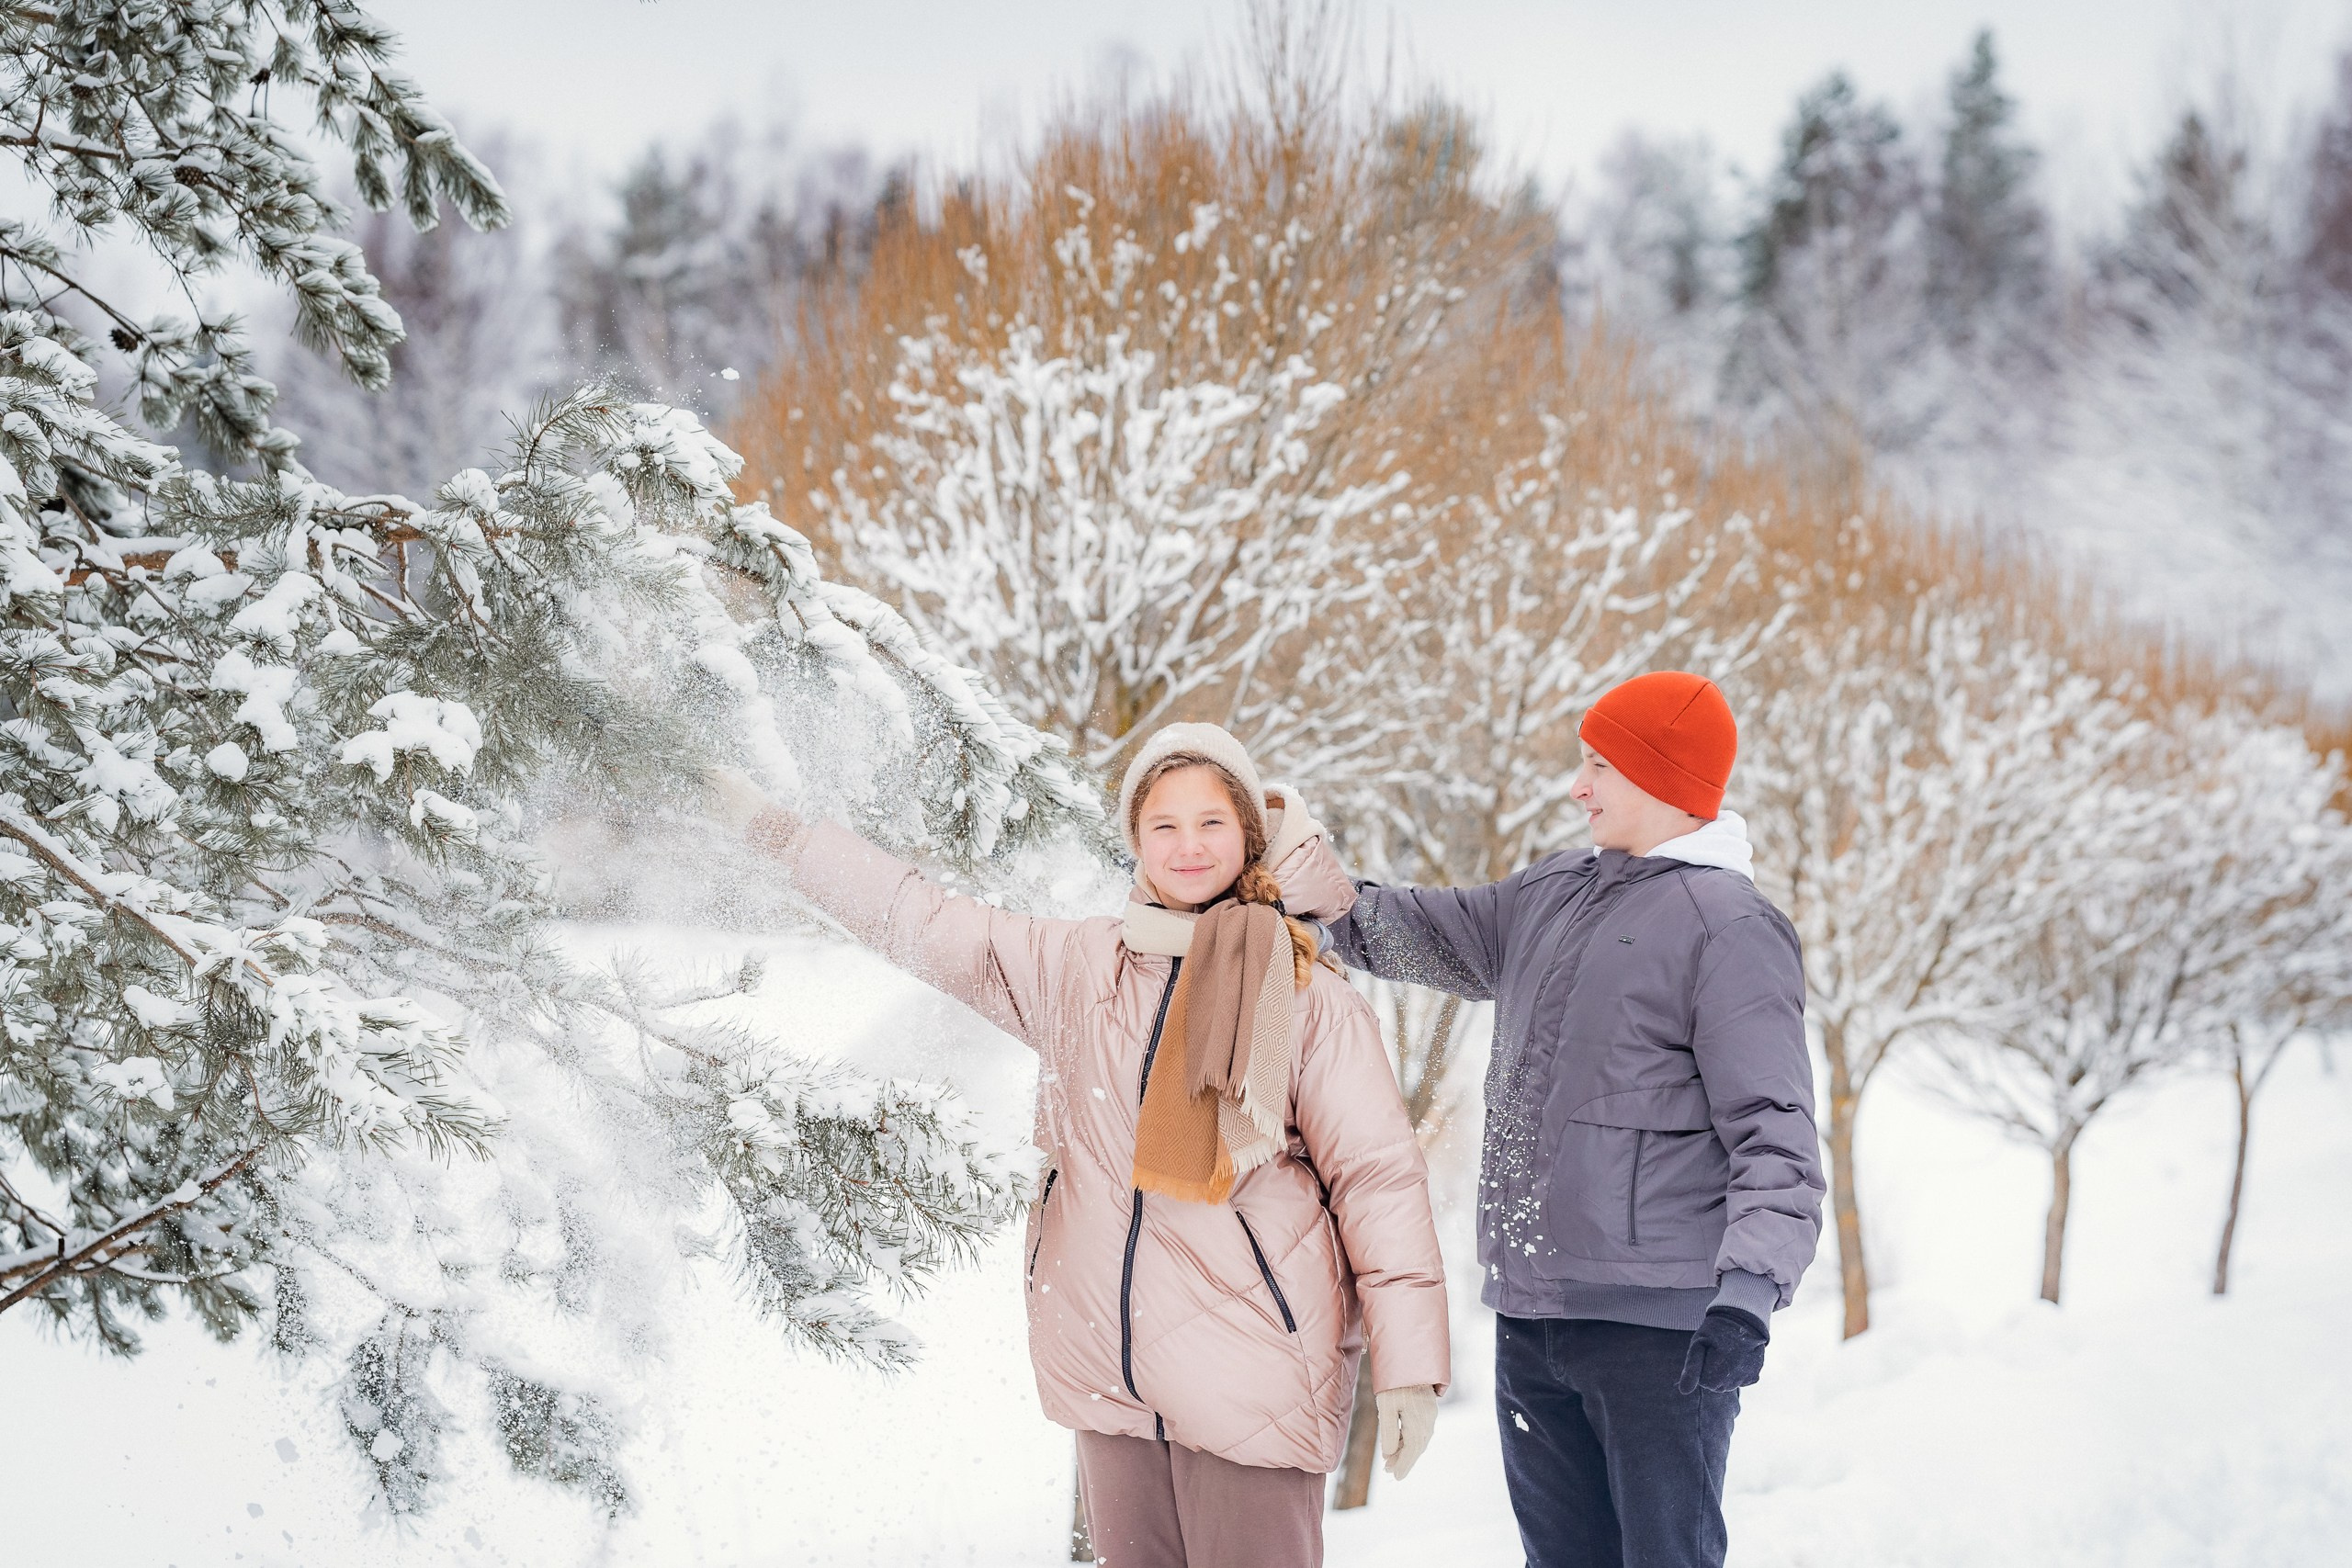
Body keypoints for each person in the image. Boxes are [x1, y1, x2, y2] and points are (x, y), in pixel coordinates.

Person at [707, 721, 1449, 1568]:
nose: (1188, 845)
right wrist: (773, 832)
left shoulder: (1308, 995)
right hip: (1111, 1373)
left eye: (1211, 821)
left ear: (1247, 829)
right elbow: (923, 917)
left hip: (1254, 1379)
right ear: (1135, 837)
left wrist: (1411, 1365)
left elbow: (1377, 1181)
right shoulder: (1078, 967)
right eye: (1163, 824)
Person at [1280, 671, 1824, 1568]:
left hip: (1661, 1335)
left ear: (1663, 777)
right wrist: (1307, 880)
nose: (1578, 786)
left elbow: (1776, 1133)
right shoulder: (1551, 892)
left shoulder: (1729, 926)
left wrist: (1747, 1297)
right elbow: (1402, 929)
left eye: (1599, 765)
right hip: (1532, 1315)